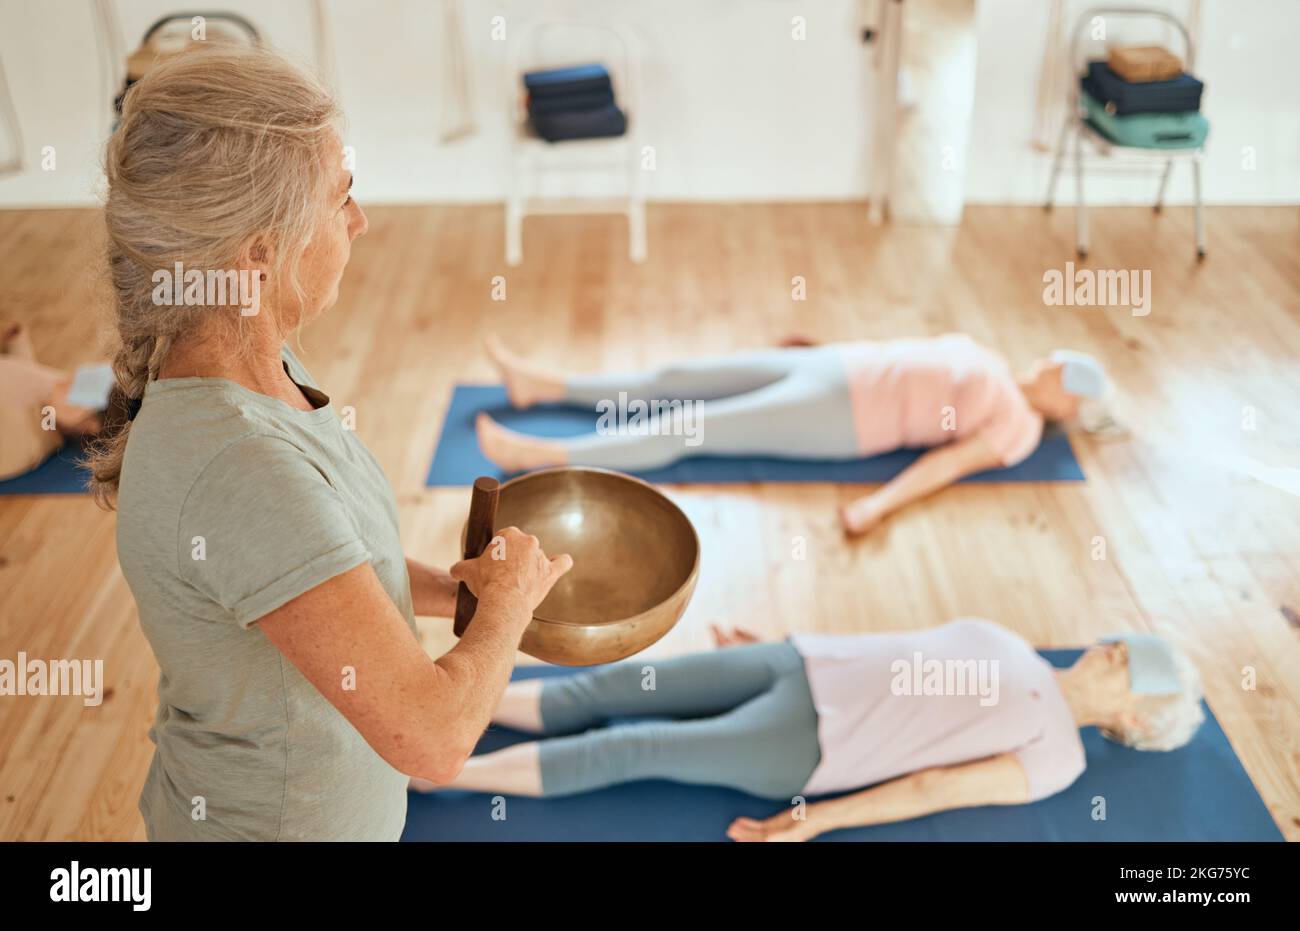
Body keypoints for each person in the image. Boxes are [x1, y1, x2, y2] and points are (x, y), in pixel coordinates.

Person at [87, 45, 571, 841]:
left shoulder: (253, 357)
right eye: (340, 199)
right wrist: (506, 612)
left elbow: (314, 573)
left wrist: (462, 595)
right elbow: (436, 737)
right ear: (258, 254)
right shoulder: (242, 467)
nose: (360, 221)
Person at [414, 620, 1204, 842]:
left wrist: (815, 819)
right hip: (801, 658)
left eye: (1132, 667)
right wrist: (781, 636)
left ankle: (443, 765)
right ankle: (442, 701)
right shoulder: (1014, 643)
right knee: (615, 684)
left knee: (634, 744)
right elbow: (903, 646)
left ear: (1134, 718)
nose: (1114, 651)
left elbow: (936, 788)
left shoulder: (1059, 756)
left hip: (815, 742)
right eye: (1126, 643)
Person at [477, 335, 1118, 534]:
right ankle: (545, 387)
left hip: (843, 420)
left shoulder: (1020, 429)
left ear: (1070, 401)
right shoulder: (995, 359)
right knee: (680, 375)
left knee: (691, 428)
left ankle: (546, 456)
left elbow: (946, 466)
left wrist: (877, 505)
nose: (1054, 362)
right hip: (832, 365)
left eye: (1066, 372)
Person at [0, 323, 107, 481]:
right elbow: (29, 381)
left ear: (91, 426)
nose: (70, 379)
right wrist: (17, 346)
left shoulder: (32, 442)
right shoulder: (54, 394)